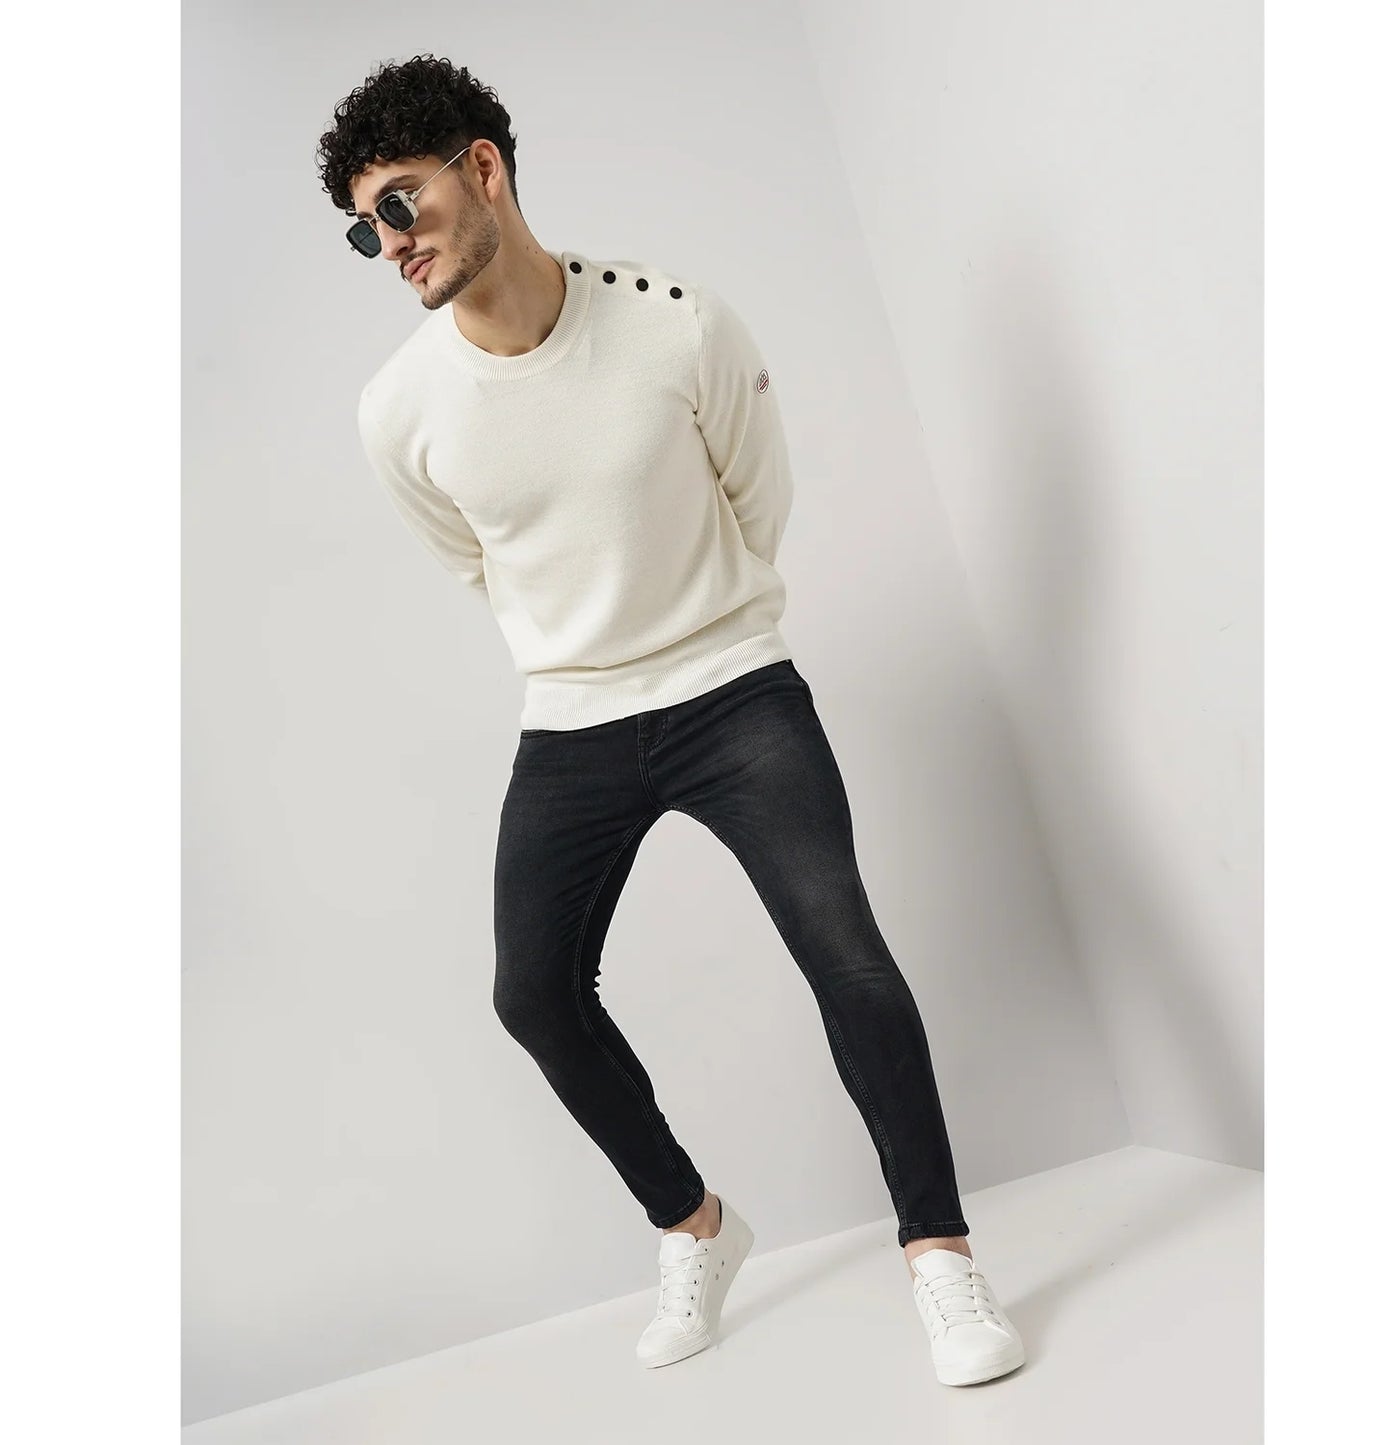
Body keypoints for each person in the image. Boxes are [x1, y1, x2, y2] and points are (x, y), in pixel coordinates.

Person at [317, 52, 1025, 1386]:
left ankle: (940, 1256)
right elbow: (478, 560)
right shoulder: (397, 410)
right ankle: (694, 1223)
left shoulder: (677, 323)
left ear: (484, 168)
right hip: (572, 720)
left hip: (734, 689)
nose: (388, 243)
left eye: (399, 202)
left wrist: (703, 622)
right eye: (364, 229)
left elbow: (758, 498)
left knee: (847, 955)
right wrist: (584, 646)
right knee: (533, 993)